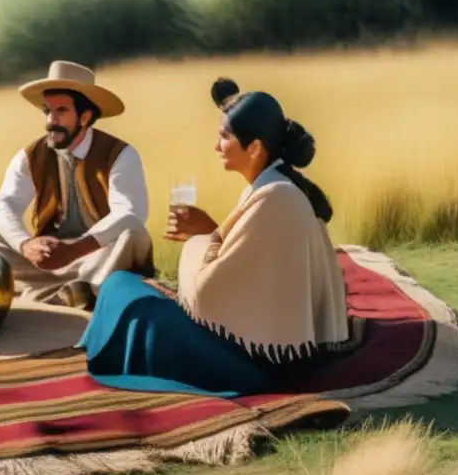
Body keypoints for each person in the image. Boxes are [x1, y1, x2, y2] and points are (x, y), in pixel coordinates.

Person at [78, 78, 351, 396]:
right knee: (128, 287)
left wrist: (202, 237)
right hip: (264, 348)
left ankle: (103, 351)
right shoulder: (272, 185)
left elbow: (206, 294)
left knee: (124, 291)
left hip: (254, 365)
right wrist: (214, 234)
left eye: (224, 137)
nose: (216, 146)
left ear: (254, 148)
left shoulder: (276, 196)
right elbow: (249, 267)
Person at [0, 61, 153, 309]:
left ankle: (78, 292)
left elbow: (130, 213)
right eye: (46, 111)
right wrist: (26, 245)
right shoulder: (31, 155)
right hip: (49, 257)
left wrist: (76, 249)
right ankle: (73, 293)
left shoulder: (120, 154)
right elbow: (5, 206)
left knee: (133, 233)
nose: (51, 121)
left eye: (61, 111)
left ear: (85, 116)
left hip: (97, 256)